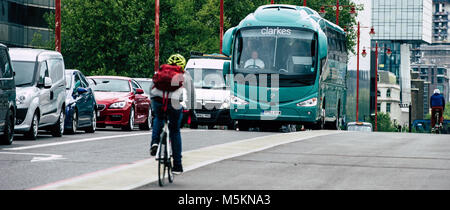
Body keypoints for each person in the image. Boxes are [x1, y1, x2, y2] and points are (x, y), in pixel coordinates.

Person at [149, 54, 195, 174]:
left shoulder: (161, 70)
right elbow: (191, 94)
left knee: (158, 118)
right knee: (174, 130)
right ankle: (177, 165)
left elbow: (151, 87)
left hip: (158, 99)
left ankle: (154, 142)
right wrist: (191, 109)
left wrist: (154, 101)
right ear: (182, 65)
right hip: (174, 102)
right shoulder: (184, 74)